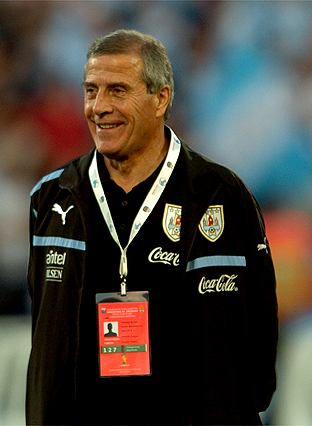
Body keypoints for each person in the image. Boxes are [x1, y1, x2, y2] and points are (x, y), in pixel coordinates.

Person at [26, 29, 278, 425]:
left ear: (160, 99)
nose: (99, 107)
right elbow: (45, 334)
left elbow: (261, 330)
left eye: (118, 91)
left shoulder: (221, 195)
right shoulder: (52, 197)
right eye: (91, 91)